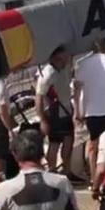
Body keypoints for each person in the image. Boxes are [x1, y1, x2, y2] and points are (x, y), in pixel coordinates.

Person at [74, 38, 105, 181]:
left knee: (93, 146)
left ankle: (94, 177)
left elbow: (77, 90)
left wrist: (77, 110)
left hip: (91, 110)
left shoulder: (81, 64)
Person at [35, 46, 76, 176]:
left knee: (68, 140)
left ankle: (66, 169)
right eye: (65, 57)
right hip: (56, 112)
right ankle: (51, 171)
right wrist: (42, 119)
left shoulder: (64, 69)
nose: (67, 59)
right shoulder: (48, 74)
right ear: (58, 58)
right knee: (55, 142)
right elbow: (39, 97)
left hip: (67, 110)